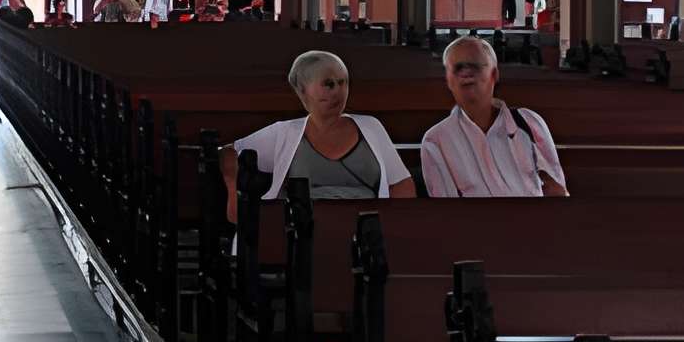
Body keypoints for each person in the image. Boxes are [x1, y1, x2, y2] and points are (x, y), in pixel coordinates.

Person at [222, 50, 415, 220]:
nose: (339, 92)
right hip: (304, 231)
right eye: (329, 84)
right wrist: (233, 190)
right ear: (302, 90)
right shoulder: (285, 132)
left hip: (365, 230)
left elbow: (401, 183)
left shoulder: (371, 127)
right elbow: (229, 152)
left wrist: (393, 226)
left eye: (343, 83)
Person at [422, 36, 567, 197]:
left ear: (494, 74)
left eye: (475, 66)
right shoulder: (436, 140)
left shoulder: (529, 122)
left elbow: (557, 190)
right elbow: (447, 212)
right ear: (448, 80)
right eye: (457, 68)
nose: (466, 73)